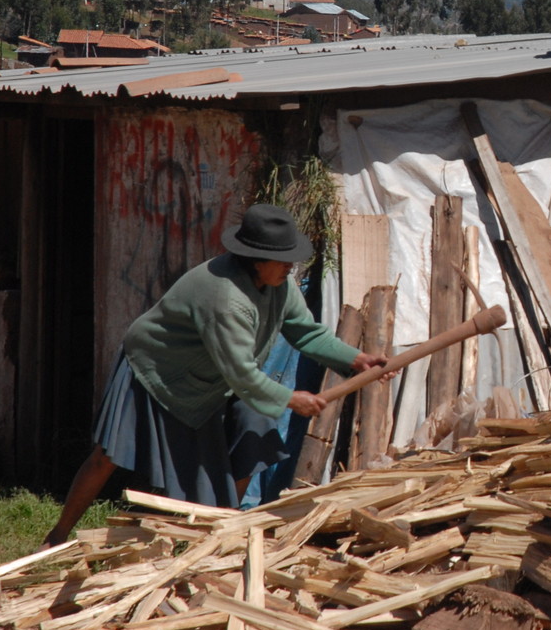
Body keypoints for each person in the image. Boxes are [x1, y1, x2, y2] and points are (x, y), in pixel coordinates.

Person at [45, 203, 387, 544]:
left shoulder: (280, 285)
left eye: (291, 258)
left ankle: (224, 527)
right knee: (107, 456)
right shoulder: (226, 298)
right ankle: (58, 534)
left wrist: (357, 360)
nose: (290, 266)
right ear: (256, 260)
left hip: (213, 377)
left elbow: (306, 333)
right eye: (283, 259)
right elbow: (242, 374)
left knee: (255, 428)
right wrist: (289, 399)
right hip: (157, 369)